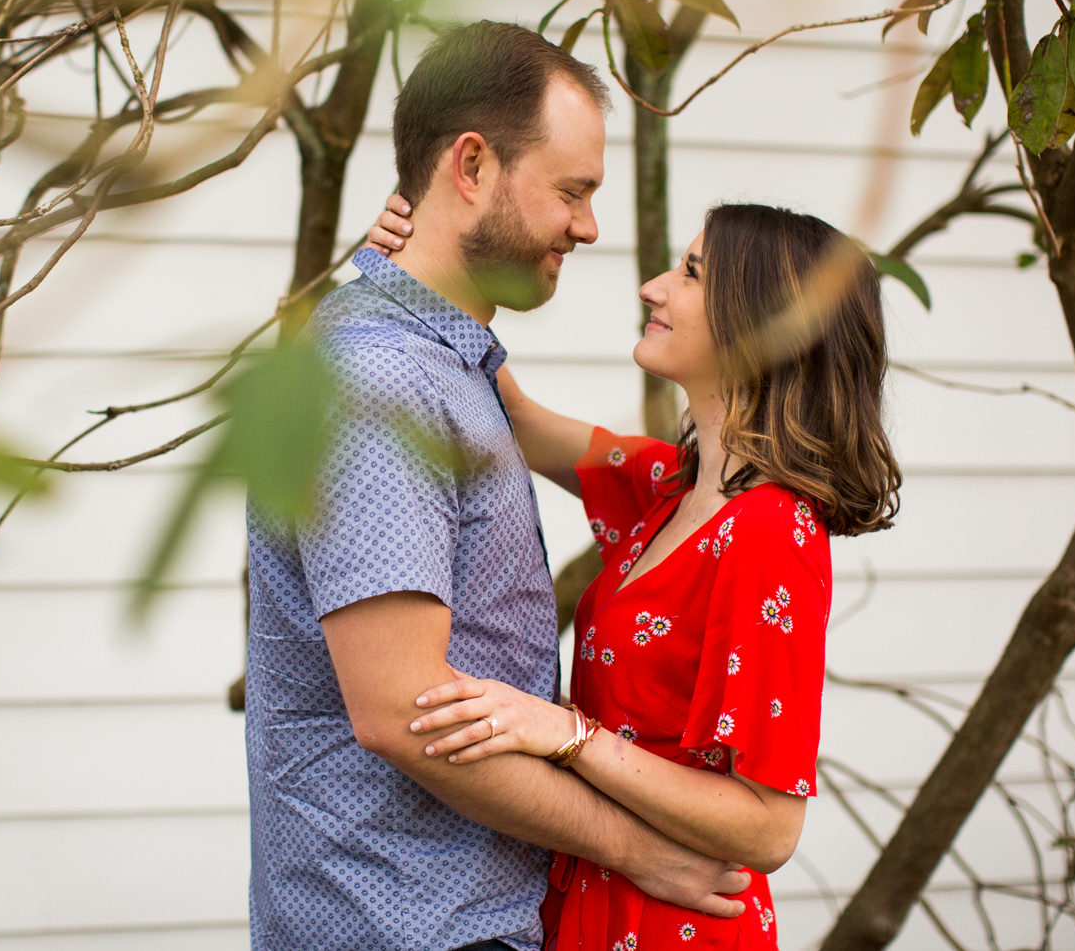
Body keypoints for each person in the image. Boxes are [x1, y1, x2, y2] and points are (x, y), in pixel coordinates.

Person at [245, 21, 749, 951]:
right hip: (410, 925)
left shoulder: (446, 365)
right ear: (470, 167)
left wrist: (380, 264)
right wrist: (637, 850)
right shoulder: (382, 381)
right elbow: (404, 713)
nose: (590, 227)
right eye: (572, 190)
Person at [369, 197, 902, 948]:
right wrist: (420, 260)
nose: (654, 287)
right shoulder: (666, 488)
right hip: (595, 899)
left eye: (690, 272)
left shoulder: (770, 533)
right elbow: (508, 412)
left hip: (675, 921)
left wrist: (565, 733)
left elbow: (771, 825)